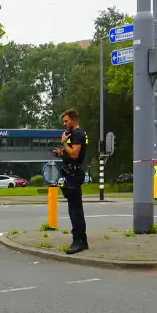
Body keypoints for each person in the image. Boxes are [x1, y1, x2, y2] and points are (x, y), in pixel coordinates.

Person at [53, 109, 88, 254]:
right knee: (76, 209)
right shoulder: (73, 134)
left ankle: (78, 242)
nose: (64, 123)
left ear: (74, 119)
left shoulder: (78, 133)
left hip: (74, 175)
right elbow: (70, 154)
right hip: (71, 173)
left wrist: (63, 143)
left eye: (66, 121)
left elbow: (74, 154)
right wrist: (61, 153)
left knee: (74, 210)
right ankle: (83, 240)